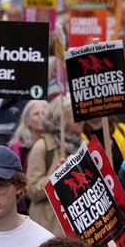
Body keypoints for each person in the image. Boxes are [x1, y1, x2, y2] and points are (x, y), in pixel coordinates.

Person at [26, 96, 82, 235]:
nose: (82, 119)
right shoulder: (42, 147)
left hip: (76, 229)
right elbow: (32, 191)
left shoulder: (81, 144)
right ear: (62, 118)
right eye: (75, 115)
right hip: (50, 230)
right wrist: (56, 174)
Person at [7, 98, 48, 170]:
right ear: (27, 120)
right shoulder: (18, 148)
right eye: (36, 114)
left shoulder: (56, 142)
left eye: (44, 113)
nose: (41, 117)